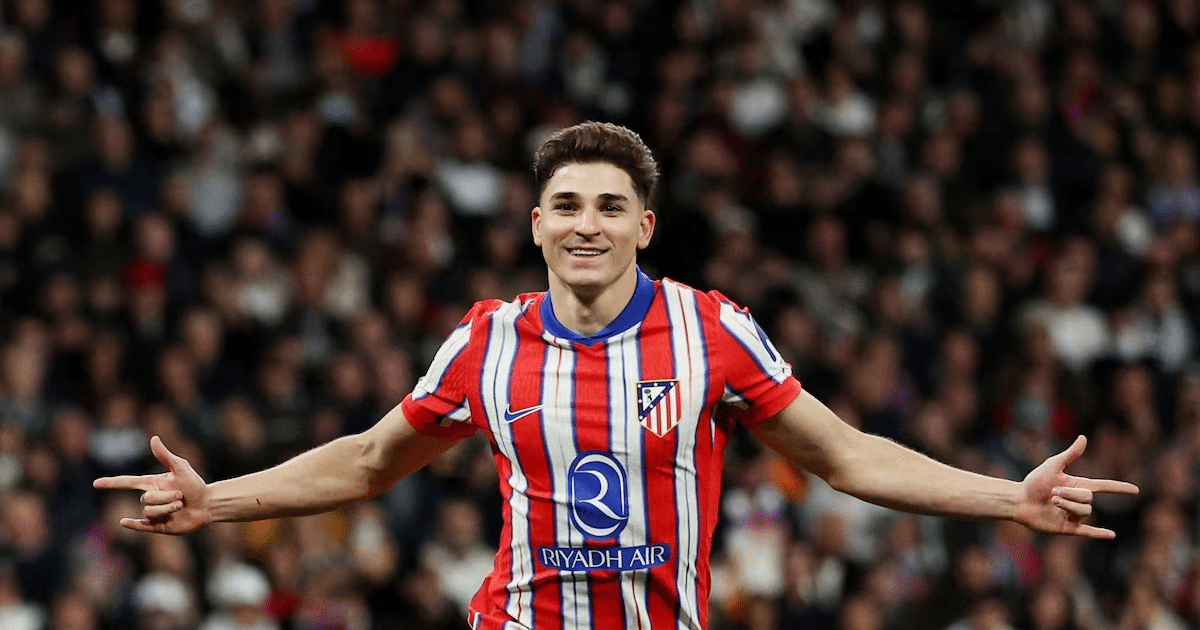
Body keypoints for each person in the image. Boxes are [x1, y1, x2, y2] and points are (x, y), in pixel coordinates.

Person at [95, 122, 1139, 630]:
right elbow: (370, 462)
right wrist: (215, 500)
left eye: (607, 206)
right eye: (566, 205)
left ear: (644, 224)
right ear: (535, 224)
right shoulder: (486, 340)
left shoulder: (714, 331)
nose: (585, 223)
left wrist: (1009, 497)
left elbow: (847, 456)